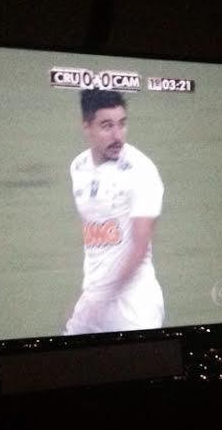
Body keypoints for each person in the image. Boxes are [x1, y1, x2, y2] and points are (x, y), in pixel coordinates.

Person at [63, 89, 164, 335]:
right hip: (94, 301)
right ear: (87, 127)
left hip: (134, 308)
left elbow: (139, 248)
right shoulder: (78, 167)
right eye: (107, 126)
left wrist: (103, 298)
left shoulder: (141, 170)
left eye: (122, 124)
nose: (117, 135)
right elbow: (97, 238)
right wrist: (89, 298)